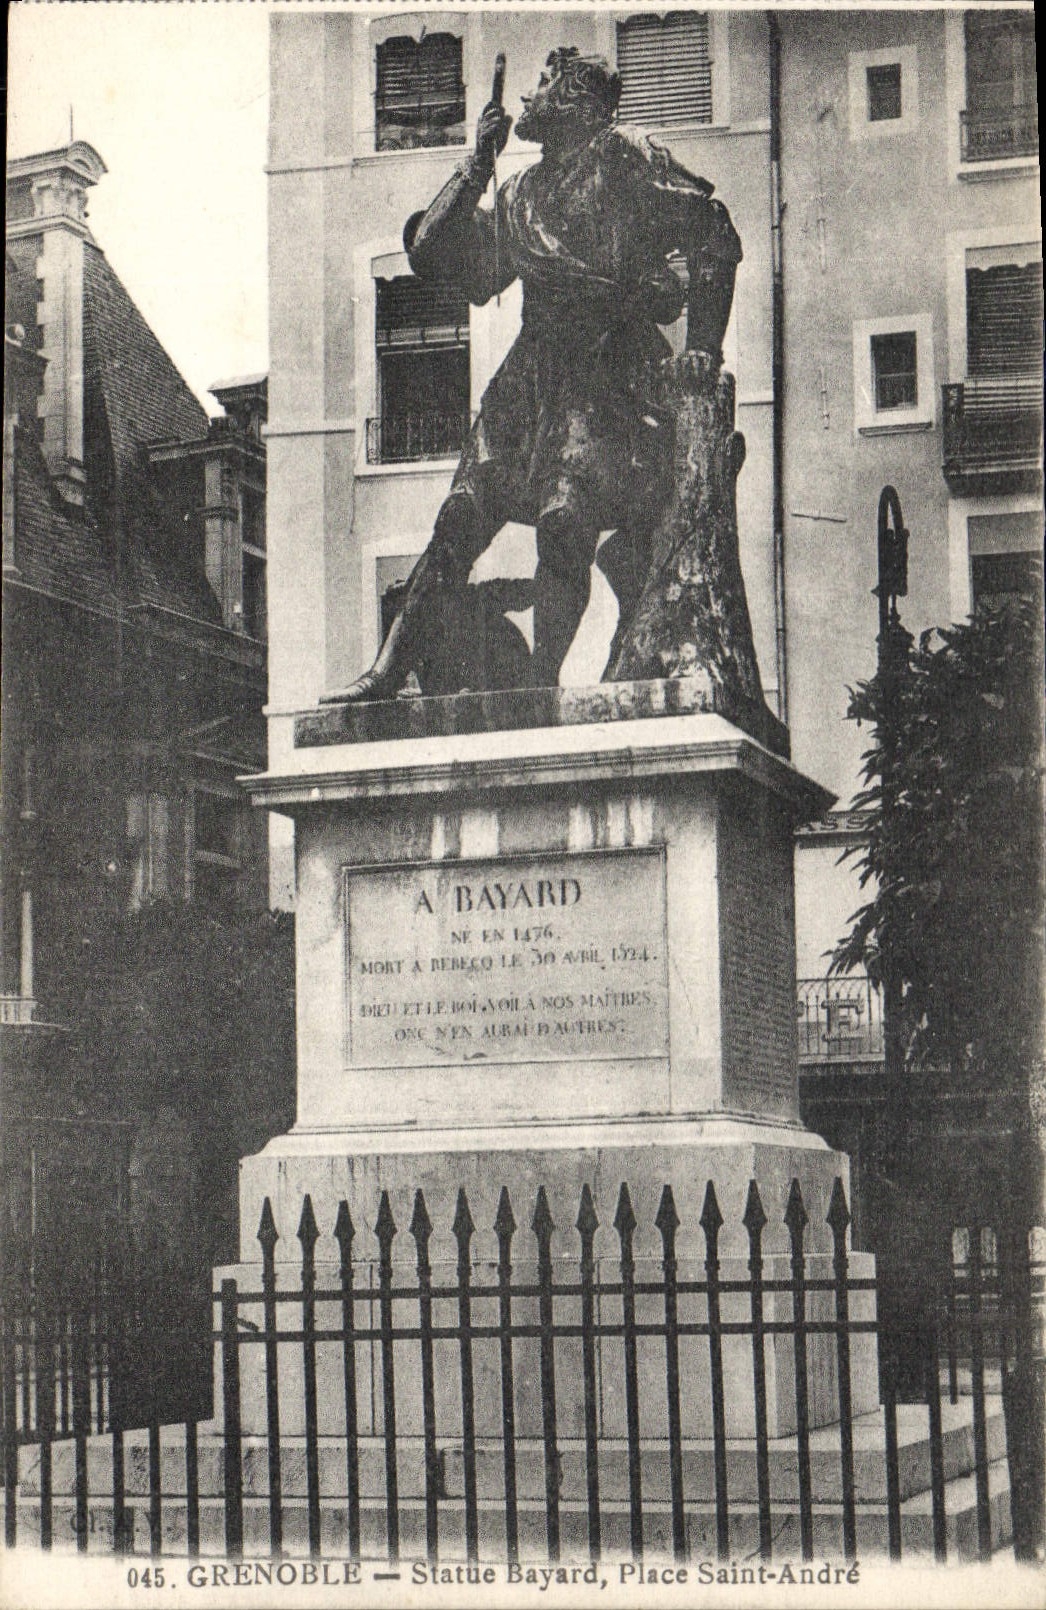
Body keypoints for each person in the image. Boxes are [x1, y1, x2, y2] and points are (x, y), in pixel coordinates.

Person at [331, 46, 741, 703]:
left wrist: (704, 348)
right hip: (528, 380)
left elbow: (713, 231)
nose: (529, 94)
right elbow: (434, 257)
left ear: (577, 97)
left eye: (545, 80)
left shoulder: (624, 156)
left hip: (608, 370)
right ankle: (385, 672)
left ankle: (541, 684)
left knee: (564, 522)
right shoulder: (518, 193)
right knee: (459, 517)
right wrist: (476, 163)